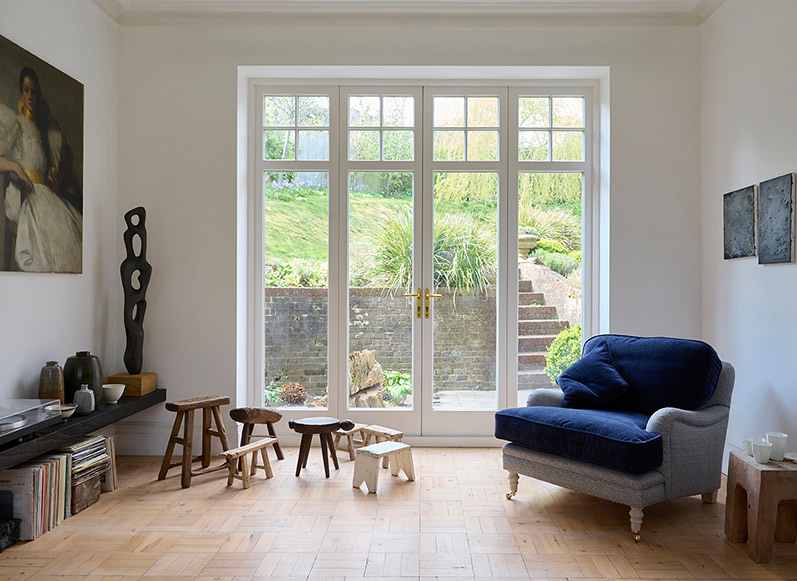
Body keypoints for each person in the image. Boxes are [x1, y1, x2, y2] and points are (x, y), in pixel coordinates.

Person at [0, 66, 82, 272]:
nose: (30, 96)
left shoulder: (45, 132)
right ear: (21, 91)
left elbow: (48, 171)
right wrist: (15, 167)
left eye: (34, 91)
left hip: (44, 192)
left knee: (69, 227)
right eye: (26, 90)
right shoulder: (15, 124)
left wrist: (54, 180)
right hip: (25, 192)